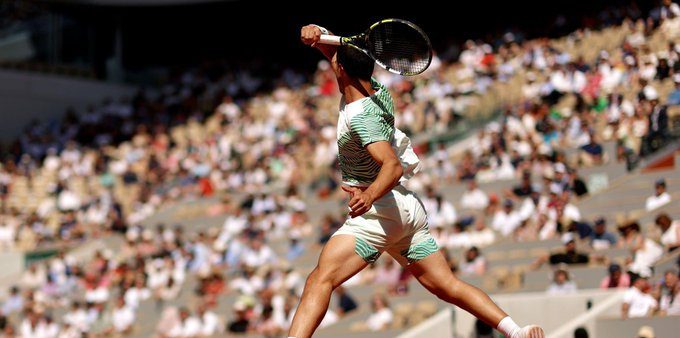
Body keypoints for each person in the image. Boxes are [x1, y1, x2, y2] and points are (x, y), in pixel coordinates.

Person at [290, 24, 544, 338]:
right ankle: (516, 331)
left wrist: (367, 197)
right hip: (407, 211)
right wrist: (319, 37)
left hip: (380, 212)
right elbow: (342, 59)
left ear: (340, 69)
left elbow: (392, 166)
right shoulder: (376, 90)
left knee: (320, 280)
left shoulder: (360, 117)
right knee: (447, 285)